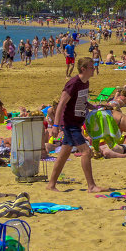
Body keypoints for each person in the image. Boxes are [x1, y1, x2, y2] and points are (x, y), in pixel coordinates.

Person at [47, 57, 106, 192]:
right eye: (91, 67)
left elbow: (82, 101)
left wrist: (94, 107)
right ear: (83, 69)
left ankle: (51, 185)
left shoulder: (85, 83)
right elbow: (61, 103)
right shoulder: (73, 83)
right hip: (70, 124)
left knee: (63, 155)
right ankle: (91, 186)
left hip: (77, 123)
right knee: (86, 152)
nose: (94, 69)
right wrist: (55, 126)